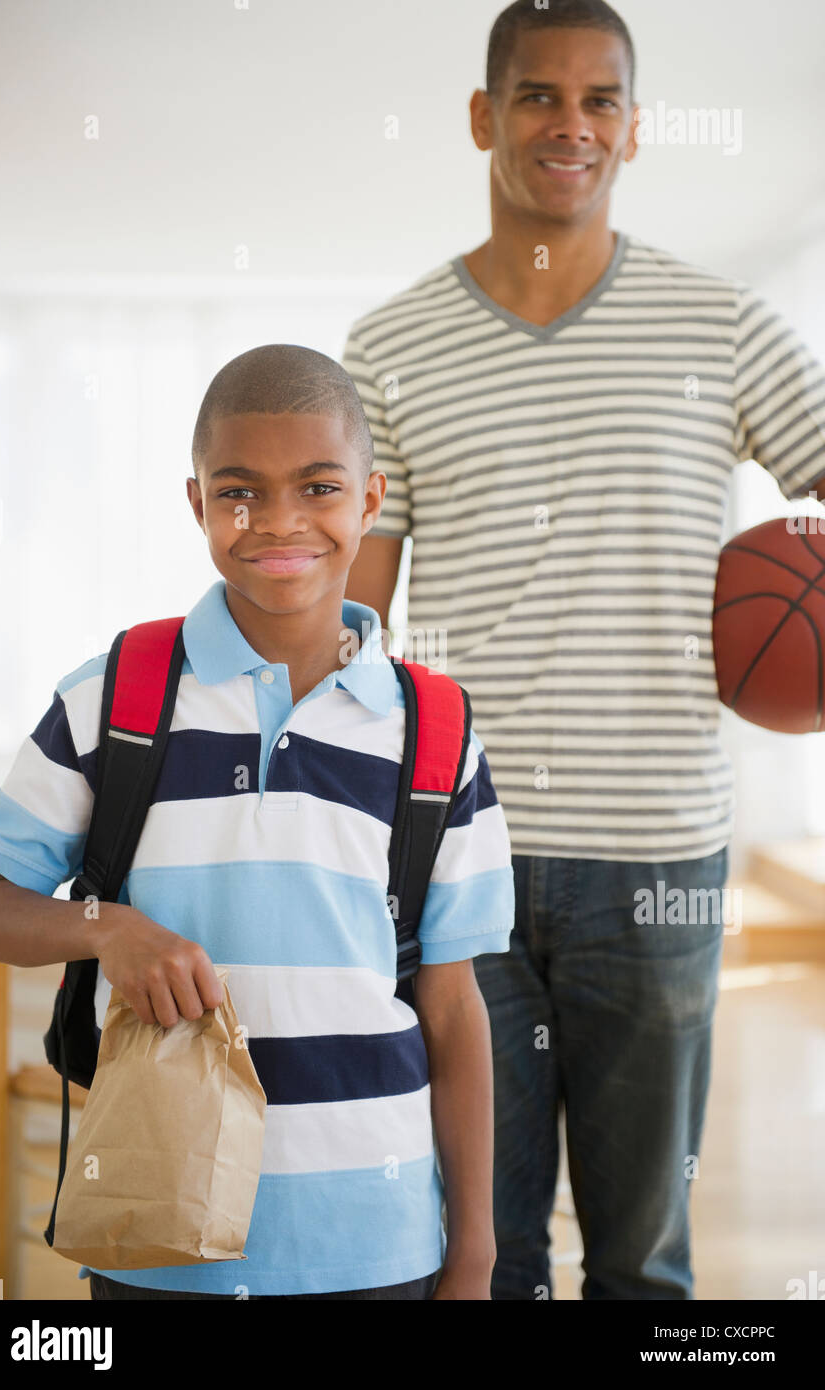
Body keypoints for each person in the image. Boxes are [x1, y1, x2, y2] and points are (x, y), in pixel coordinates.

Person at [342, 0, 825, 1300]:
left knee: (643, 1261)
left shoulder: (719, 323)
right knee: (478, 1254)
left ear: (633, 125)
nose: (571, 124)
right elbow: (351, 624)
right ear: (482, 116)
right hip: (461, 854)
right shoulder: (390, 347)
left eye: (599, 98)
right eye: (540, 95)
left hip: (660, 855)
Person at [0, 344, 515, 1300]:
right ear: (198, 505)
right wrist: (112, 929)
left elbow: (453, 1009)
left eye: (320, 486)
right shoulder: (112, 696)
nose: (281, 521)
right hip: (159, 1235)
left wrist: (474, 1250)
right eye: (240, 492)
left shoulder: (437, 730)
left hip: (377, 1246)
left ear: (372, 499)